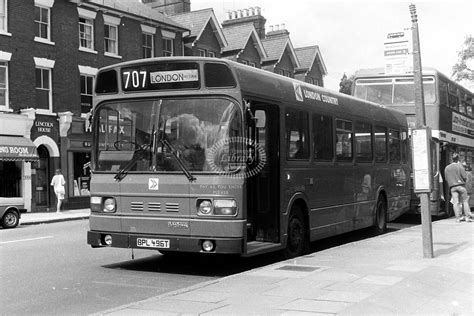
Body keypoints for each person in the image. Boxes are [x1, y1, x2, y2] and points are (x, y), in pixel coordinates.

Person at [444, 153, 473, 222]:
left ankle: (458, 218)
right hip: (461, 186)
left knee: (455, 202)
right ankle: (467, 217)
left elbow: (446, 179)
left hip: (452, 187)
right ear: (458, 159)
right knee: (465, 201)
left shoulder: (447, 168)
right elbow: (465, 177)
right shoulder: (460, 166)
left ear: (452, 159)